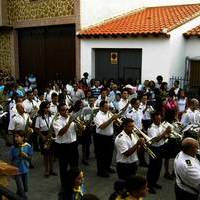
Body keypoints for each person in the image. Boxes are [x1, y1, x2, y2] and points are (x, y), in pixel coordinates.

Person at [53, 103, 79, 189]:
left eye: (67, 109)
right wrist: (69, 122)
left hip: (73, 145)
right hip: (63, 147)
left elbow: (78, 130)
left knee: (74, 166)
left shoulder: (71, 118)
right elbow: (60, 133)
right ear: (59, 112)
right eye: (63, 110)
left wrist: (81, 127)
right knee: (63, 167)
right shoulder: (56, 121)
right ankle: (64, 185)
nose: (66, 111)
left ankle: (75, 183)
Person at [146, 112, 171, 194]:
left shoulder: (160, 125)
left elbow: (164, 136)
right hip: (154, 149)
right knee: (152, 168)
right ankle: (149, 186)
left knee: (158, 167)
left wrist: (168, 134)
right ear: (153, 119)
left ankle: (154, 183)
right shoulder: (151, 128)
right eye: (157, 119)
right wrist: (165, 132)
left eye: (160, 119)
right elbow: (155, 140)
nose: (159, 121)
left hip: (161, 147)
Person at [94, 100, 117, 177]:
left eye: (108, 107)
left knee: (109, 154)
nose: (108, 109)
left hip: (109, 137)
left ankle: (107, 167)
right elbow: (102, 127)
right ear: (101, 107)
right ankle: (101, 171)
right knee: (101, 155)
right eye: (106, 108)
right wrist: (111, 119)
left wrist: (115, 120)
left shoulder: (109, 113)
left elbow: (114, 123)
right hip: (101, 138)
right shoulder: (98, 116)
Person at [35, 101, 56, 177]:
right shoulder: (39, 117)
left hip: (51, 135)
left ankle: (52, 169)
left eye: (48, 107)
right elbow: (37, 129)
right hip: (44, 135)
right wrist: (42, 136)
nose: (48, 109)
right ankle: (46, 170)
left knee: (52, 154)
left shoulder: (51, 116)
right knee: (46, 155)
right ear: (43, 108)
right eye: (46, 107)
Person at [10, 131, 33, 199]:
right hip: (17, 170)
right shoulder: (13, 147)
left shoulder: (28, 146)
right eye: (15, 137)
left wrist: (26, 156)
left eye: (17, 137)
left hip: (25, 169)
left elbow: (30, 158)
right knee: (21, 189)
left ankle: (16, 196)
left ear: (23, 137)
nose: (15, 138)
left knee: (25, 188)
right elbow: (12, 158)